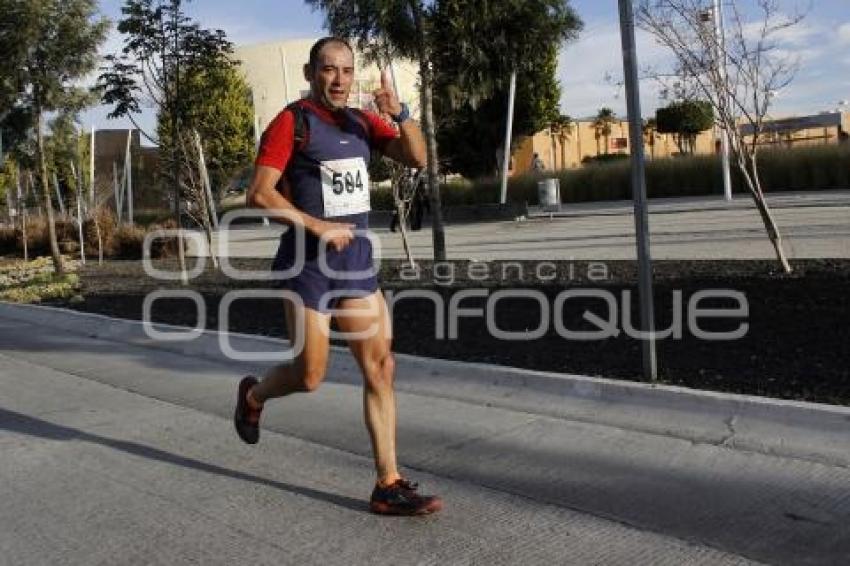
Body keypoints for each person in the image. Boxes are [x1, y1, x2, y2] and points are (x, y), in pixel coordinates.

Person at [233, 37, 442, 516]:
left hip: (356, 266)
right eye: (329, 70)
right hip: (306, 268)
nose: (340, 79)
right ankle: (254, 393)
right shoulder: (292, 122)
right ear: (311, 72)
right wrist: (318, 225)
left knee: (381, 366)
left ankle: (387, 484)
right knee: (309, 376)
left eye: (347, 70)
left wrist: (401, 113)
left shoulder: (361, 122)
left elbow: (417, 158)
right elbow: (259, 195)